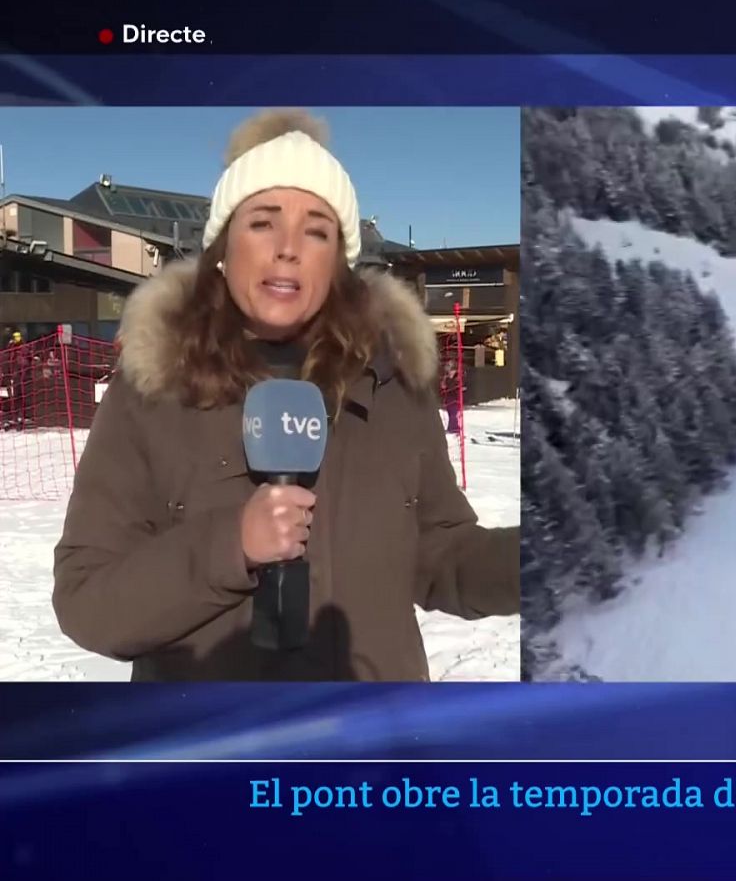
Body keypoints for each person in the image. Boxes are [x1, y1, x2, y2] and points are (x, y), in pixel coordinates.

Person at [53, 109, 518, 681]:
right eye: (263, 223)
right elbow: (88, 601)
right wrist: (230, 545)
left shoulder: (394, 388)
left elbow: (441, 557)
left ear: (339, 262)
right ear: (223, 247)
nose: (289, 248)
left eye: (317, 230)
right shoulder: (152, 391)